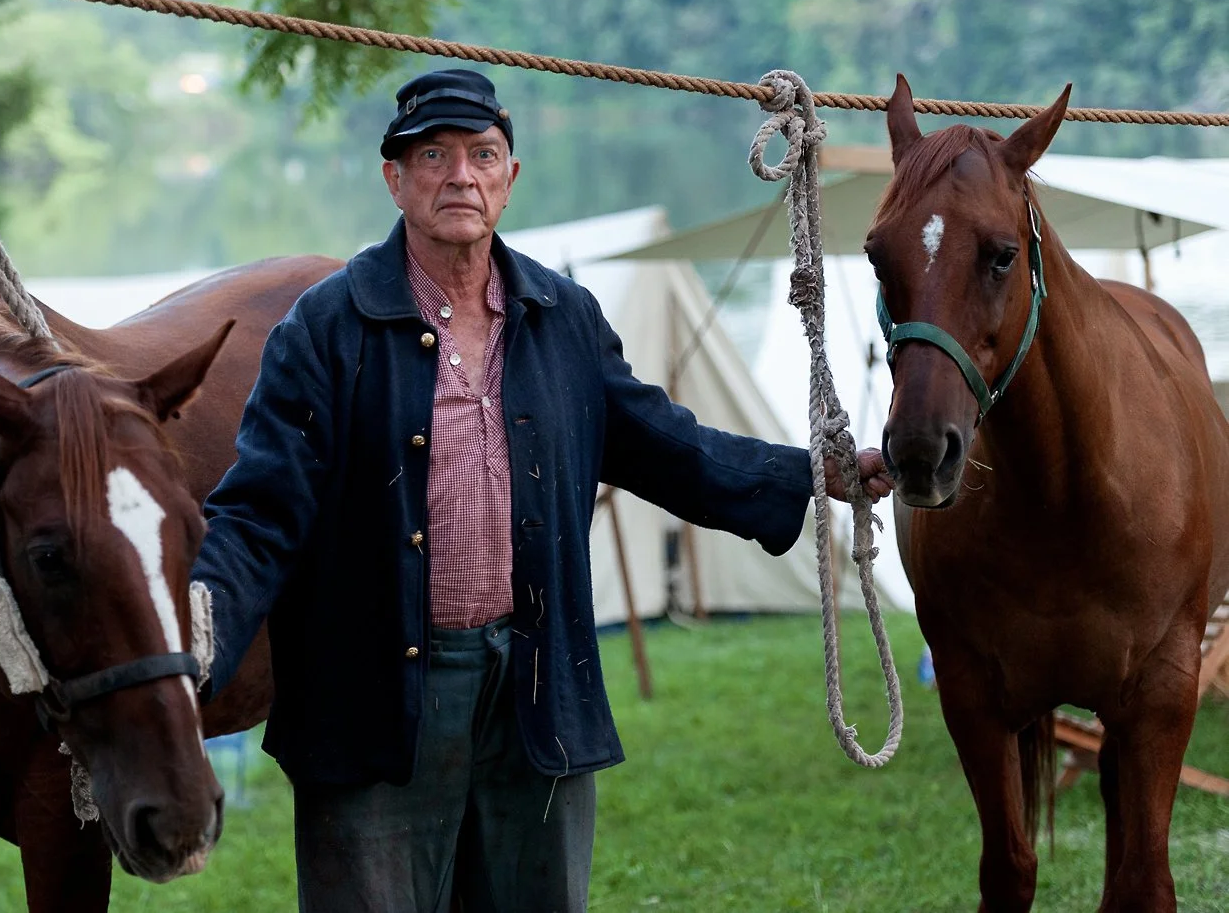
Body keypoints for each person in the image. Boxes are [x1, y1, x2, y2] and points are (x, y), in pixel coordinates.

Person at [190, 68, 893, 912]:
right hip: (373, 701)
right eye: (434, 155)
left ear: (510, 178)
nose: (461, 176)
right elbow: (259, 510)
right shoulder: (324, 327)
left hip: (535, 688)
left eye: (483, 155)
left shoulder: (562, 315)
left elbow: (667, 447)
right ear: (395, 178)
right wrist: (194, 635)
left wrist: (812, 473)